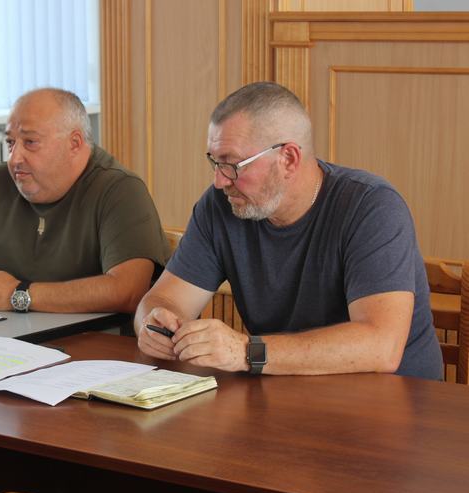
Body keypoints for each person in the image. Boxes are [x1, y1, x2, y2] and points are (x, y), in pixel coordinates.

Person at [134, 81, 443, 380]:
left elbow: (381, 347)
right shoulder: (221, 205)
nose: (220, 181)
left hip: (395, 401)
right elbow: (162, 299)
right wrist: (154, 323)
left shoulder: (372, 207)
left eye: (233, 165)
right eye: (215, 163)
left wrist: (246, 352)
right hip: (287, 392)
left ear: (288, 159)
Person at [0, 88, 170, 314]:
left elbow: (128, 291)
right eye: (11, 143)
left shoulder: (119, 189)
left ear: (74, 143)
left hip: (95, 345)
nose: (14, 158)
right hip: (9, 341)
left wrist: (18, 295)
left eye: (30, 142)